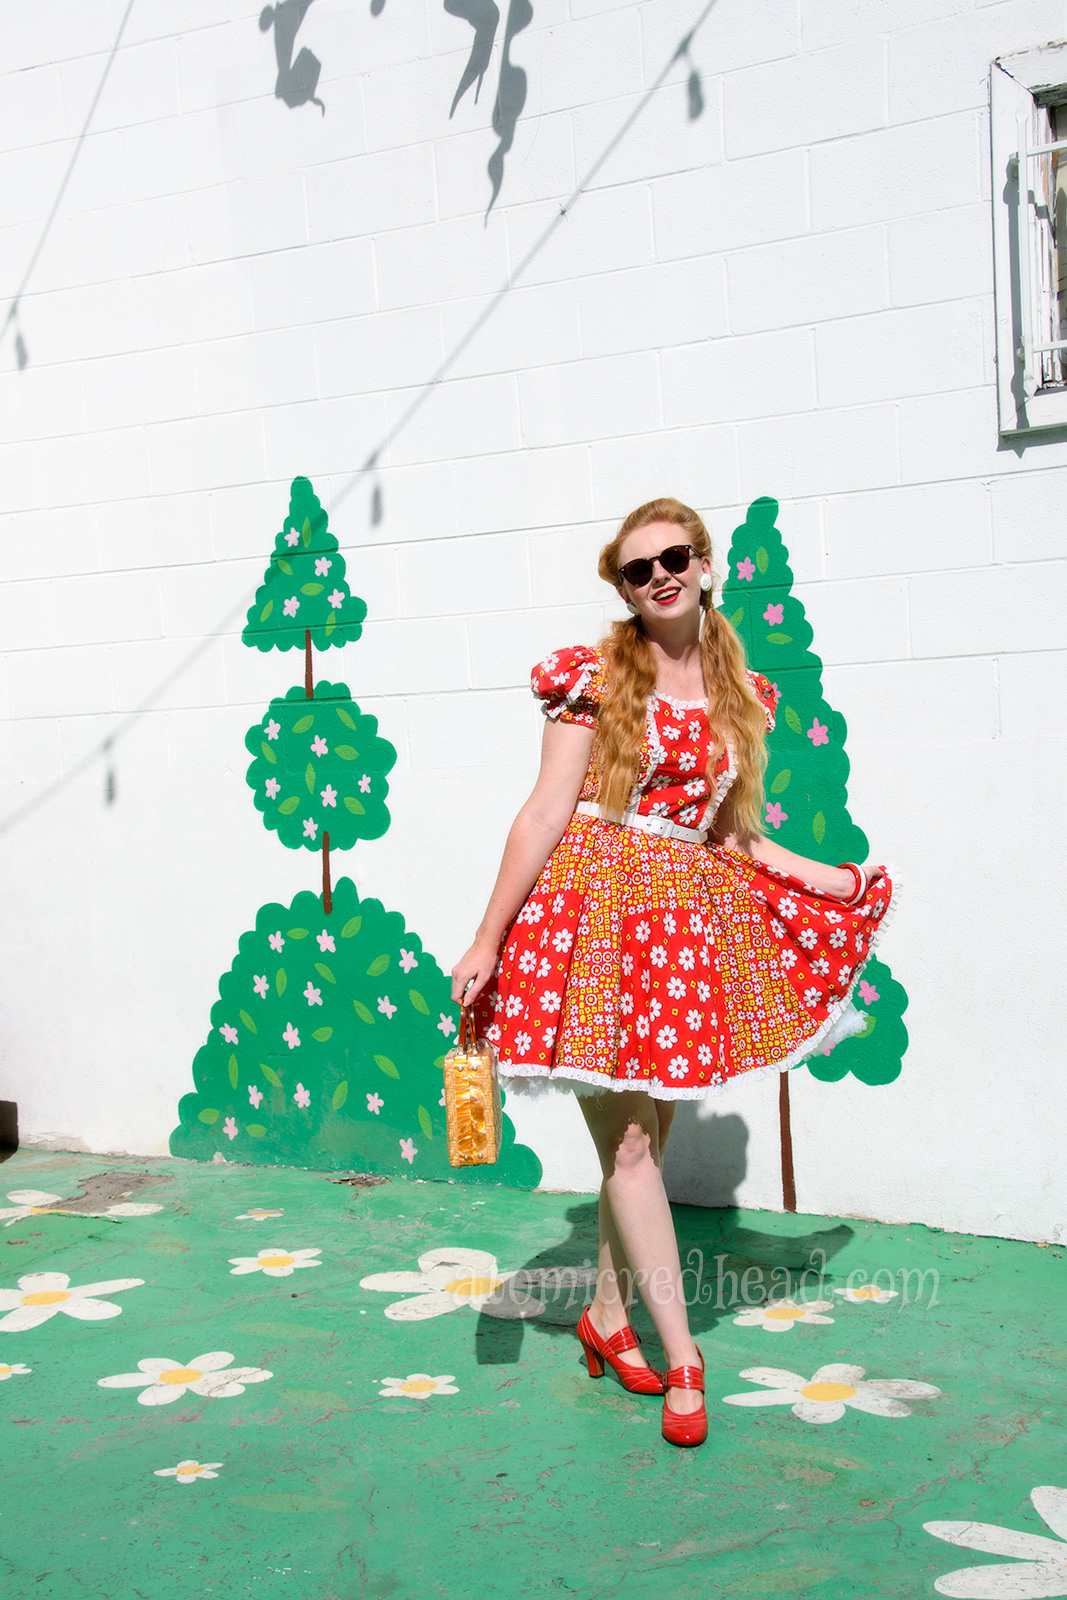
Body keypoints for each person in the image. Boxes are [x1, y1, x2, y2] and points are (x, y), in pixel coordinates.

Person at [450, 497, 895, 1448]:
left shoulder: (739, 695)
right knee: (632, 1153)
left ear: (703, 564)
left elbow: (734, 834)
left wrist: (839, 880)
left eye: (672, 558)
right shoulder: (598, 676)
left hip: (682, 940)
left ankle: (606, 1321)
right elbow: (541, 813)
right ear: (620, 583)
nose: (656, 575)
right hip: (593, 923)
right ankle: (682, 1353)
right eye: (634, 567)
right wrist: (487, 939)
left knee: (643, 1134)